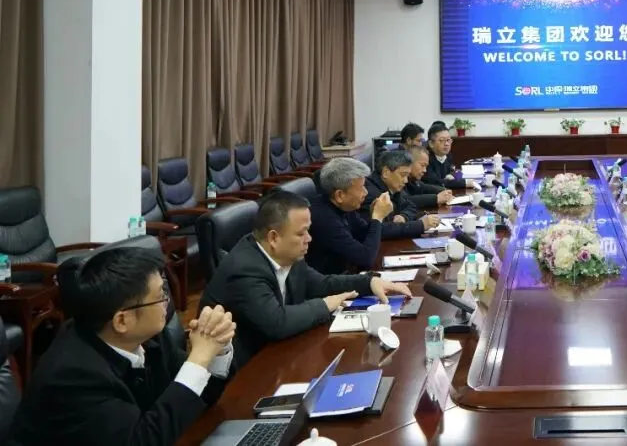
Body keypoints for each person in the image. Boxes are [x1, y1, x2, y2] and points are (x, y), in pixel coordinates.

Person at [12, 247, 236, 446]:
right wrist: (198, 359)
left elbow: (200, 397)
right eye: (160, 296)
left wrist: (217, 348)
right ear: (122, 320)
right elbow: (142, 440)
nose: (167, 304)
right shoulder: (73, 377)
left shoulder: (147, 336)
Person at [201, 190, 411, 368]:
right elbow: (277, 322)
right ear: (273, 237)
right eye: (301, 233)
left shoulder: (285, 253)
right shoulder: (244, 269)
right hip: (244, 371)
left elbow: (320, 284)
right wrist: (326, 304)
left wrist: (368, 282)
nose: (309, 239)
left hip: (280, 352)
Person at [307, 157, 392, 274]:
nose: (366, 192)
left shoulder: (344, 206)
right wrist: (377, 217)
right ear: (340, 195)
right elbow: (365, 259)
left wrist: (375, 218)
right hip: (328, 281)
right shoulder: (323, 219)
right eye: (361, 187)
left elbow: (365, 233)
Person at [361, 149, 442, 239]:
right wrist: (421, 225)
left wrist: (404, 216)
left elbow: (410, 206)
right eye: (403, 175)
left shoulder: (393, 187)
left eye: (407, 175)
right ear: (386, 173)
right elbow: (381, 230)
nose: (406, 180)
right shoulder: (369, 194)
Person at [422, 123, 476, 190]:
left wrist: (451, 175)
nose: (447, 144)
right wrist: (465, 182)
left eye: (448, 140)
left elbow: (453, 171)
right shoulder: (425, 158)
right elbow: (435, 182)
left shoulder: (447, 154)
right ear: (431, 143)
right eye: (442, 140)